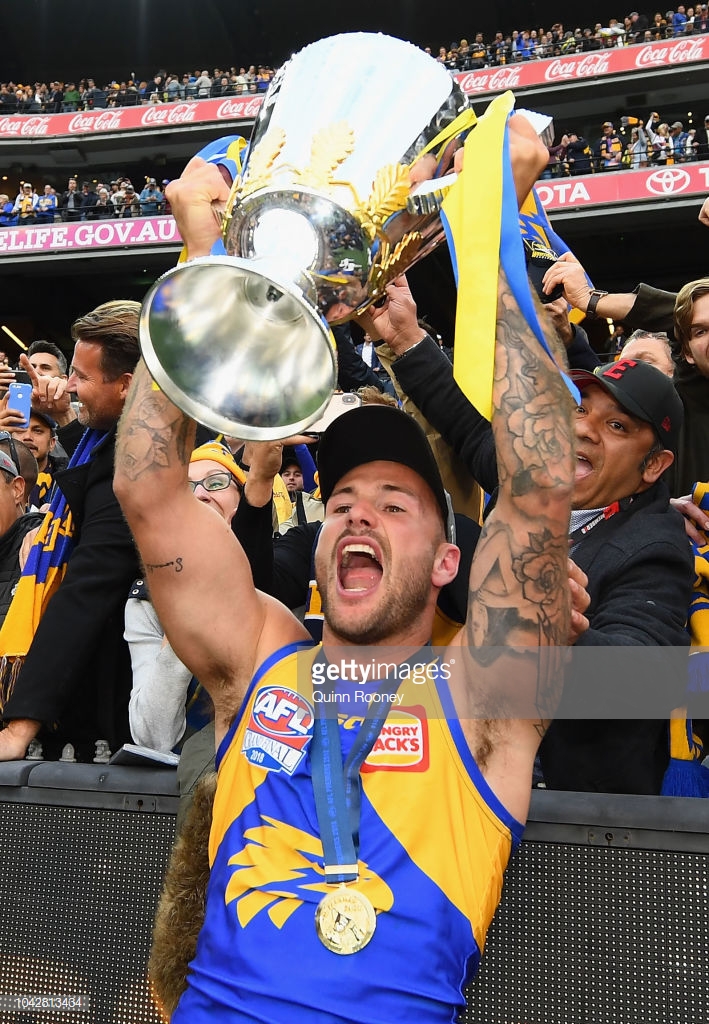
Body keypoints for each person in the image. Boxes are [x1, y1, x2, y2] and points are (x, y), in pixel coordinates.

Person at [114, 118, 575, 1022]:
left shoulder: (482, 694)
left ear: (450, 562)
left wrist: (498, 227)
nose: (357, 509)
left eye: (395, 504)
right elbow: (149, 491)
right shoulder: (261, 659)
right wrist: (205, 270)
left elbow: (538, 485)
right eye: (345, 497)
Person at [0, 301, 142, 762]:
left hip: (112, 710)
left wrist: (20, 724)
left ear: (126, 385)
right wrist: (64, 418)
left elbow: (86, 591)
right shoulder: (113, 439)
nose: (70, 387)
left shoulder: (136, 467)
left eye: (81, 376)